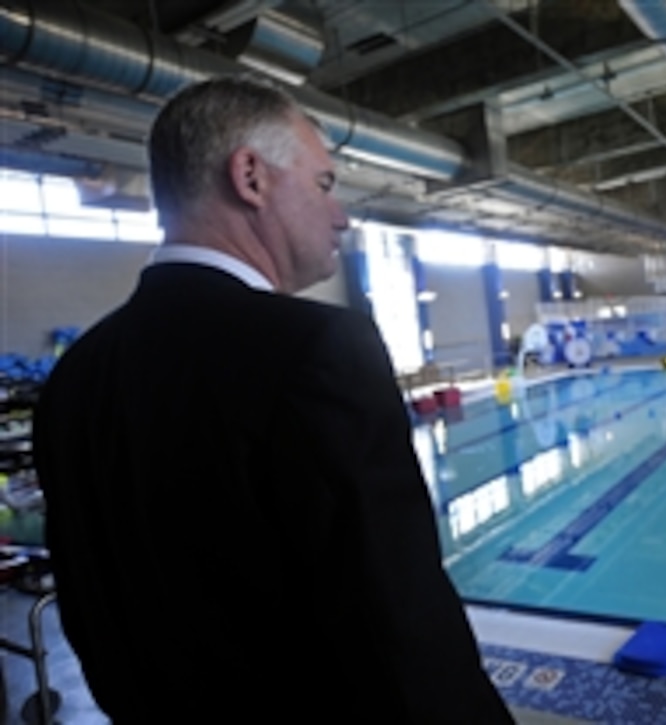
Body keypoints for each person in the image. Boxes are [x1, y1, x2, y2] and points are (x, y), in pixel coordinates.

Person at [32, 76, 512, 723]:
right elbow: (401, 626)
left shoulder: (74, 378)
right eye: (323, 183)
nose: (340, 213)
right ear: (251, 177)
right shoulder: (315, 348)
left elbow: (88, 613)